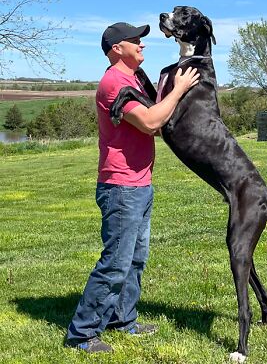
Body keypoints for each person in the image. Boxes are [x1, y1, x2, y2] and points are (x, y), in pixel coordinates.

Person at [64, 22, 199, 353]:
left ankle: (123, 319)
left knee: (135, 259)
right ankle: (81, 333)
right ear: (116, 49)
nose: (142, 45)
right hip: (121, 186)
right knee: (115, 262)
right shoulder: (114, 83)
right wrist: (179, 88)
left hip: (140, 182)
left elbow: (156, 114)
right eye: (135, 41)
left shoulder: (135, 78)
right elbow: (152, 121)